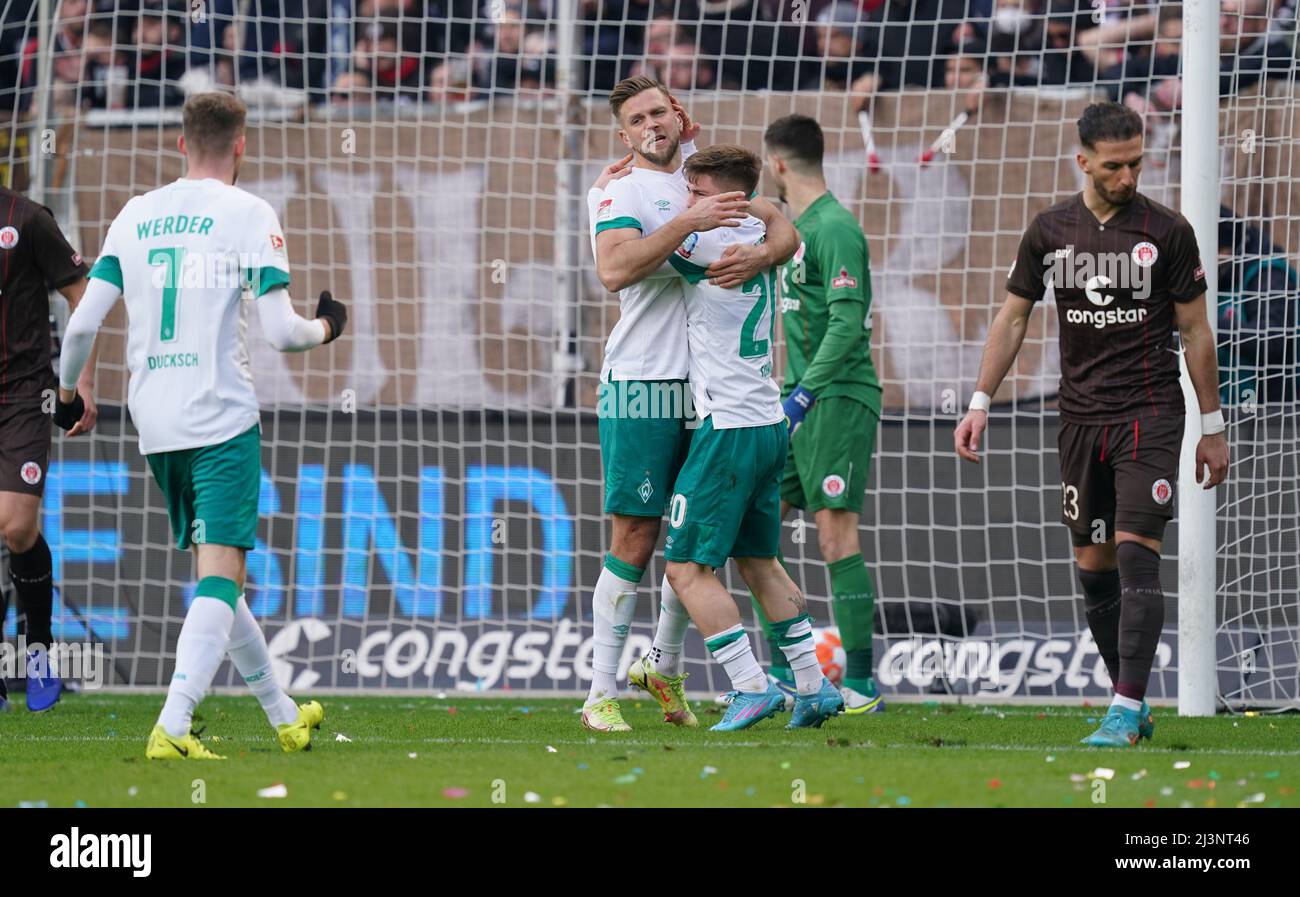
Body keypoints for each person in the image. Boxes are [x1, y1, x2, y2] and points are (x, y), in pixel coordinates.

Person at [56, 91, 349, 758]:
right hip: (219, 416)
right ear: (241, 146)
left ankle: (283, 716)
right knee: (223, 575)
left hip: (154, 419)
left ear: (180, 145)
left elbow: (79, 325)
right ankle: (175, 722)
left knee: (218, 576)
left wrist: (67, 394)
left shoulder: (135, 214)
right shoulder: (249, 212)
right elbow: (282, 334)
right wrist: (330, 325)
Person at [954, 102, 1230, 747]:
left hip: (1150, 413)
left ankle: (1126, 708)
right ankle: (1124, 700)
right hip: (1079, 418)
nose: (1128, 176)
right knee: (1093, 564)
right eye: (1114, 166)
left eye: (1135, 163)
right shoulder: (1051, 230)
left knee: (1138, 557)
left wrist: (1211, 426)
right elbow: (1013, 318)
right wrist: (979, 401)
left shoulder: (1168, 230)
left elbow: (1195, 331)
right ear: (1083, 161)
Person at [581, 76, 799, 731]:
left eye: (658, 110)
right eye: (636, 118)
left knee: (696, 535)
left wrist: (765, 249)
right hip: (644, 383)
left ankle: (662, 662)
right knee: (637, 535)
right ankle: (598, 694)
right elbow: (614, 270)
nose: (651, 123)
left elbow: (784, 227)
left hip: (707, 391)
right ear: (623, 134)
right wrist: (686, 221)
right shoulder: (619, 189)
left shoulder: (704, 175)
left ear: (679, 115)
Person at [663, 144, 844, 731]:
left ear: (725, 197)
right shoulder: (756, 232)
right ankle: (814, 688)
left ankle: (749, 685)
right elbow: (781, 225)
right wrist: (767, 220)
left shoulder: (706, 243)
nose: (687, 201)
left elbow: (623, 262)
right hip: (768, 422)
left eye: (697, 191)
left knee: (685, 568)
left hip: (730, 427)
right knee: (760, 561)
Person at [0, 186, 98, 712]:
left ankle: (38, 649)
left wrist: (82, 379)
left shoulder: (27, 218)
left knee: (16, 525)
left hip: (23, 397)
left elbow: (83, 295)